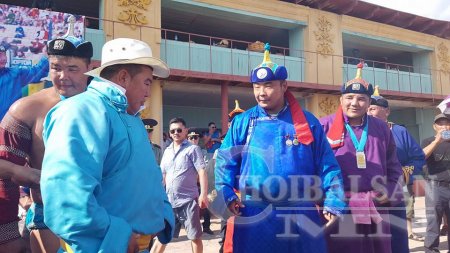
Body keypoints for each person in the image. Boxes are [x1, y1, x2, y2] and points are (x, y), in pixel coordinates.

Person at [40, 38, 175, 253]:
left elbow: (146, 173)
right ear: (123, 77)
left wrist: (163, 213)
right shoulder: (81, 112)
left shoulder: (131, 118)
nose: (149, 92)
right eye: (147, 82)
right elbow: (67, 197)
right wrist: (117, 234)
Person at [214, 43, 346, 253]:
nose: (261, 92)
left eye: (268, 85)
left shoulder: (308, 123)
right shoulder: (243, 122)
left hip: (300, 213)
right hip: (255, 214)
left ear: (284, 86)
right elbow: (224, 161)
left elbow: (327, 164)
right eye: (256, 86)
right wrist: (227, 194)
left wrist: (334, 200)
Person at [0, 31, 93, 253]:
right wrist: (7, 235)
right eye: (56, 67)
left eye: (72, 69)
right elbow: (3, 171)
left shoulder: (107, 105)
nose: (63, 76)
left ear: (88, 67)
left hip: (100, 215)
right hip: (47, 216)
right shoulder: (26, 108)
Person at [320, 63, 403, 253]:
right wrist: (326, 199)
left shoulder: (381, 128)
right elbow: (314, 167)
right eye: (349, 97)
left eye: (361, 99)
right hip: (339, 207)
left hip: (376, 206)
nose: (354, 103)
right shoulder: (323, 126)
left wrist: (388, 193)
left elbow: (393, 166)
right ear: (341, 100)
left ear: (369, 102)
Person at [368, 87, 426, 252]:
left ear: (387, 111)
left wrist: (405, 173)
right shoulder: (360, 131)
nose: (369, 112)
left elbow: (418, 157)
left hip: (393, 193)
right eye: (367, 109)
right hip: (367, 195)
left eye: (372, 108)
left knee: (397, 239)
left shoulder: (400, 132)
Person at [152, 117, 208, 253]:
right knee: (162, 236)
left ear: (185, 131)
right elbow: (163, 175)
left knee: (195, 237)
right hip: (169, 201)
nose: (175, 133)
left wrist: (203, 194)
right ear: (169, 133)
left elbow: (202, 171)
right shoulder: (166, 151)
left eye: (179, 130)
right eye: (172, 131)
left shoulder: (193, 149)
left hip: (188, 201)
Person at [421, 113, 450, 253]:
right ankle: (431, 250)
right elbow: (421, 156)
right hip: (435, 186)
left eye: (447, 123)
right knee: (433, 222)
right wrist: (437, 141)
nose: (444, 126)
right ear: (435, 127)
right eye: (440, 124)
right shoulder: (428, 141)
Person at [0, 45, 49, 120]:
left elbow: (37, 71)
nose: (3, 58)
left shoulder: (15, 74)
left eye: (4, 54)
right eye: (0, 55)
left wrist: (46, 56)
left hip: (9, 127)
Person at [187, 130, 214, 235]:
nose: (194, 140)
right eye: (191, 138)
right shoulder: (184, 151)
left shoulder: (203, 152)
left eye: (196, 138)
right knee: (191, 207)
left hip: (201, 183)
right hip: (190, 184)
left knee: (206, 205)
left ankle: (206, 226)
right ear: (187, 139)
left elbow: (206, 168)